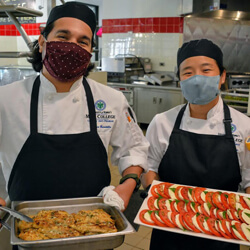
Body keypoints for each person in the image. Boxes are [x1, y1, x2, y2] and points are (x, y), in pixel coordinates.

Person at [0, 1, 149, 215]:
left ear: (90, 52)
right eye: (63, 37)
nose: (72, 47)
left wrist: (128, 183)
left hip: (95, 225)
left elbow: (133, 149)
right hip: (28, 226)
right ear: (42, 42)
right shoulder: (6, 99)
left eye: (83, 41)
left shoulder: (111, 99)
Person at [141, 39, 250, 250]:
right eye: (188, 72)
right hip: (169, 229)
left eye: (206, 70)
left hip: (222, 233)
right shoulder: (162, 122)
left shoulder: (244, 126)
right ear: (180, 79)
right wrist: (157, 194)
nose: (197, 78)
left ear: (222, 77)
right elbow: (149, 169)